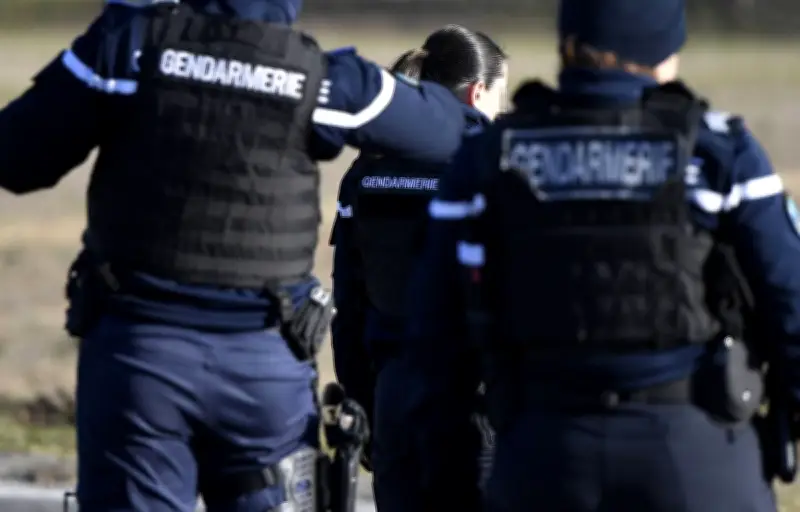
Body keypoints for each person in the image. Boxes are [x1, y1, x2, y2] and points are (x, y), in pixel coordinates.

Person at [0, 0, 470, 510]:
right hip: (264, 370)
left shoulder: (129, 44)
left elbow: (18, 157)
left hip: (142, 360)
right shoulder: (321, 75)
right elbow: (446, 128)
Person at [408, 0, 797, 511]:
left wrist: (450, 476)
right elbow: (790, 305)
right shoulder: (718, 152)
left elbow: (435, 338)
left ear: (569, 45)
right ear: (663, 51)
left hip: (543, 454)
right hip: (695, 453)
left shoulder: (489, 157)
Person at [330, 24, 508, 512]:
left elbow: (349, 309)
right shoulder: (493, 165)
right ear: (478, 93)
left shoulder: (366, 170)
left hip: (394, 400)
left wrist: (364, 407)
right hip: (477, 404)